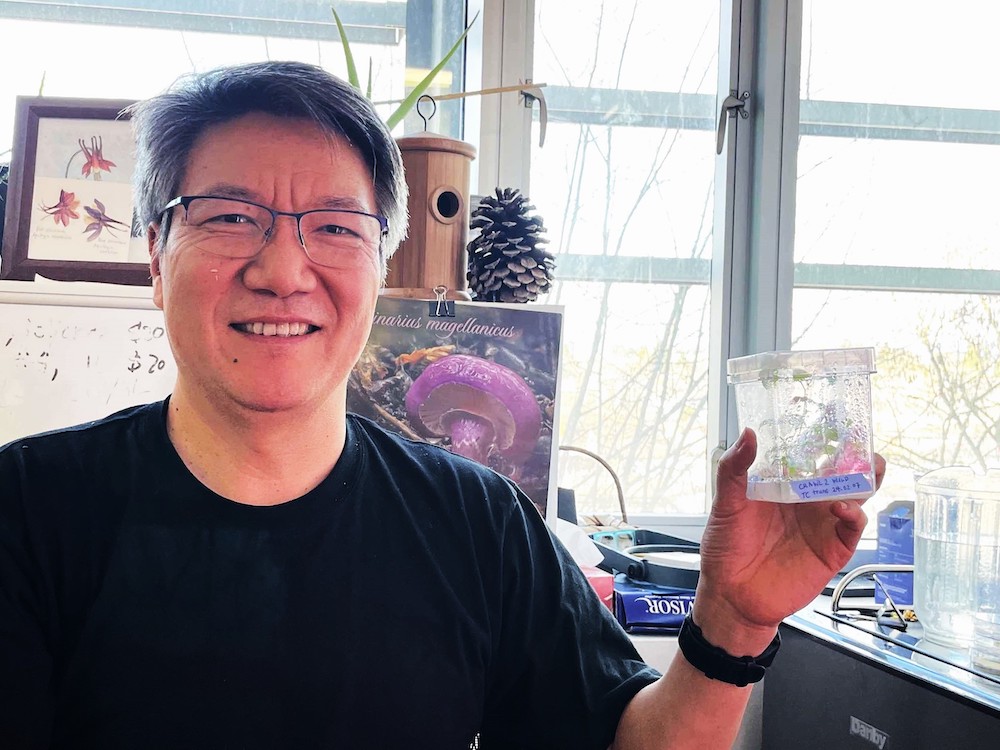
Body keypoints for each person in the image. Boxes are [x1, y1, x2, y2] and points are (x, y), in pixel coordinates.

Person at [0, 60, 885, 749]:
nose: (282, 270)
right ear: (156, 255)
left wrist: (730, 622)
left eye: (336, 227)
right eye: (230, 217)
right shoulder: (31, 511)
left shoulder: (474, 521)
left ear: (382, 267)